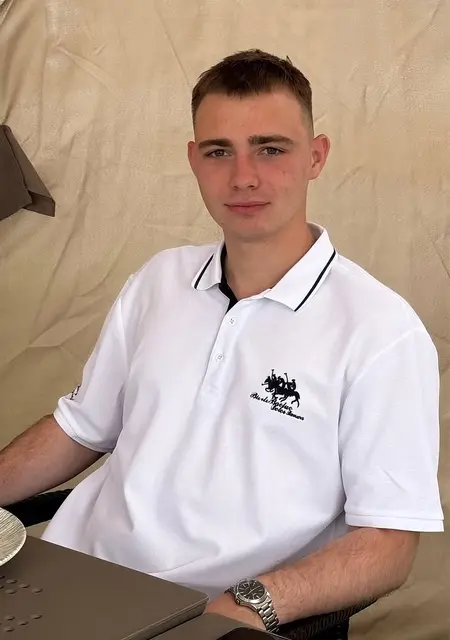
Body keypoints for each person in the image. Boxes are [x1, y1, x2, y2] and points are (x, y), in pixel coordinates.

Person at [0, 49, 444, 636]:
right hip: (67, 574)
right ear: (193, 160)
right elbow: (79, 429)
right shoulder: (158, 280)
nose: (243, 177)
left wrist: (238, 610)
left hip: (203, 615)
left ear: (316, 157)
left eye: (271, 149)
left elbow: (388, 541)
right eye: (218, 152)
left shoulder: (381, 332)